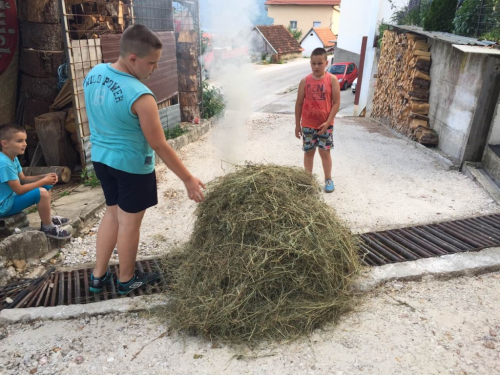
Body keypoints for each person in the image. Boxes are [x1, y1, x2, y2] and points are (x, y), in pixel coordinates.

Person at [83, 24, 205, 295]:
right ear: (133, 59)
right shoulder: (141, 96)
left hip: (102, 160)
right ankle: (126, 280)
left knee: (112, 214)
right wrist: (188, 179)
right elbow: (158, 144)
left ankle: (97, 276)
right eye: (152, 63)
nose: (155, 69)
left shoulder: (94, 74)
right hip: (131, 167)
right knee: (129, 224)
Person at [0, 123, 71, 239]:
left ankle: (47, 218)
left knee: (47, 185)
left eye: (25, 140)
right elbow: (19, 189)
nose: (25, 144)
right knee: (41, 192)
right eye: (19, 141)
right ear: (5, 143)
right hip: (3, 206)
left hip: (10, 197)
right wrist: (43, 182)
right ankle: (48, 228)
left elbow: (23, 179)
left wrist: (44, 177)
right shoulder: (4, 164)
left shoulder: (12, 158)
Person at [295, 48, 341, 193]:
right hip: (308, 124)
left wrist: (328, 122)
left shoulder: (332, 80)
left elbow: (336, 102)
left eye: (320, 63)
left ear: (326, 63)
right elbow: (299, 103)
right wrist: (297, 125)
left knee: (325, 152)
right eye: (313, 63)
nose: (316, 66)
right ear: (310, 64)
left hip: (325, 125)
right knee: (308, 152)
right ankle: (308, 181)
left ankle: (328, 179)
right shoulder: (305, 81)